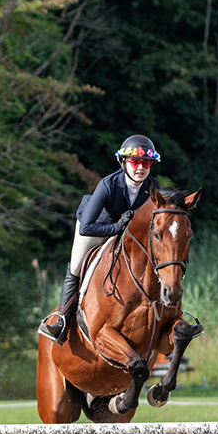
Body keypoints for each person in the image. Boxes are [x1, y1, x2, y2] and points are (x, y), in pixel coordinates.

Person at [38, 134, 163, 345]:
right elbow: (87, 226)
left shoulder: (153, 186)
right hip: (97, 227)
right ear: (123, 162)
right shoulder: (108, 184)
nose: (140, 167)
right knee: (76, 266)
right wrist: (116, 227)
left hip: (127, 234)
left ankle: (166, 322)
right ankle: (61, 322)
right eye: (135, 162)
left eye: (146, 163)